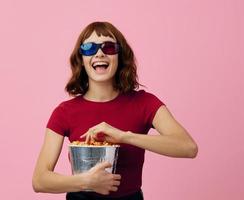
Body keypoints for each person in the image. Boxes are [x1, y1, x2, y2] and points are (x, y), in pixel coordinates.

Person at [32, 21, 198, 200]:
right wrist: (86, 181)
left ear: (120, 56)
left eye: (109, 47)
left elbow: (188, 147)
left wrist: (124, 136)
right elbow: (40, 180)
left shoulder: (144, 102)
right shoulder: (64, 112)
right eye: (89, 48)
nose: (100, 53)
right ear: (81, 59)